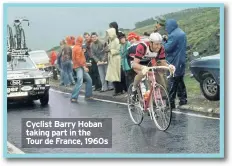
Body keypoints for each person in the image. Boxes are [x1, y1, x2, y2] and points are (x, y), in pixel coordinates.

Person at [128, 32, 175, 100]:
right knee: (142, 73)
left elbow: (163, 63)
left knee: (156, 72)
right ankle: (134, 89)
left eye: (160, 44)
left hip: (147, 59)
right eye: (156, 44)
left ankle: (159, 95)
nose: (159, 46)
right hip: (134, 58)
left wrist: (169, 66)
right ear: (150, 43)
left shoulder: (161, 48)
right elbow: (135, 64)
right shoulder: (142, 46)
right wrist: (142, 67)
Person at [164, 19, 188, 108]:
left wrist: (163, 41)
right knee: (180, 80)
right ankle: (183, 99)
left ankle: (170, 102)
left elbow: (167, 48)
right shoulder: (180, 32)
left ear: (171, 26)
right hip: (181, 60)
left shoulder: (173, 35)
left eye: (167, 26)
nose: (166, 28)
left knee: (172, 82)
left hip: (174, 61)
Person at [71, 36, 93, 103]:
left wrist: (85, 65)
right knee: (80, 81)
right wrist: (84, 67)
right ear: (80, 41)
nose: (83, 42)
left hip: (78, 66)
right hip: (79, 67)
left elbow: (78, 58)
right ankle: (74, 97)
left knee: (88, 80)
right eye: (82, 41)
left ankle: (88, 95)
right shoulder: (78, 48)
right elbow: (78, 59)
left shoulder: (75, 47)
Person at [105, 28, 124, 96]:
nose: (108, 35)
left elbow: (119, 50)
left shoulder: (116, 41)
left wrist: (110, 51)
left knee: (116, 76)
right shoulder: (111, 41)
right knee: (114, 76)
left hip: (116, 60)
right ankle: (118, 90)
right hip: (112, 60)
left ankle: (118, 90)